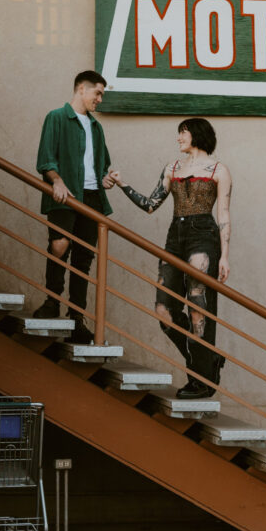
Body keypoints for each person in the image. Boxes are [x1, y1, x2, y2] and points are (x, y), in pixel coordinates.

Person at [106, 118, 231, 399]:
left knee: (199, 309)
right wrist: (122, 184)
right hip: (175, 236)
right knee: (164, 310)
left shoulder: (219, 170)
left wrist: (224, 255)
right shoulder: (172, 168)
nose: (178, 139)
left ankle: (200, 380)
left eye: (182, 133)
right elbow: (150, 206)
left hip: (204, 235)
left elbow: (223, 214)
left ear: (196, 134)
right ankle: (206, 361)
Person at [33, 70, 113, 344]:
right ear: (81, 89)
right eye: (97, 93)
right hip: (65, 195)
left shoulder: (96, 127)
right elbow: (45, 158)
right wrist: (55, 180)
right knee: (59, 245)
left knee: (83, 259)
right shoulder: (57, 117)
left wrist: (106, 178)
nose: (100, 99)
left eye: (102, 94)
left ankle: (76, 319)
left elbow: (101, 165)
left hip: (92, 197)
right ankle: (51, 301)